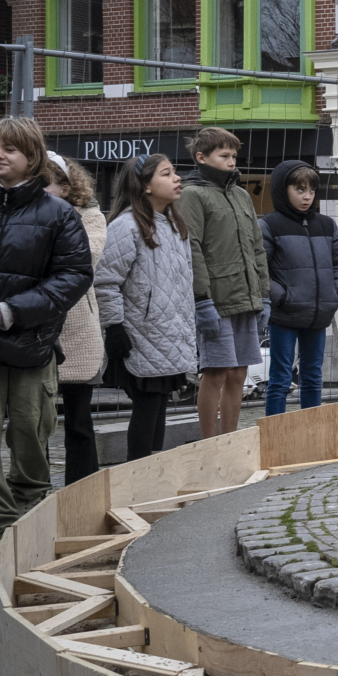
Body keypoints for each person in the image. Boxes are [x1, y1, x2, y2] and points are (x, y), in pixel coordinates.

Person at [0, 117, 93, 564]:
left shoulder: (58, 214)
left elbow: (75, 276)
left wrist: (13, 311)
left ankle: (34, 529)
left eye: (10, 149)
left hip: (32, 349)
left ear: (33, 158)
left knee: (30, 444)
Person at [95, 154, 197, 461]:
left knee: (160, 405)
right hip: (140, 336)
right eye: (166, 174)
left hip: (167, 334)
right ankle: (136, 474)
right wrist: (114, 327)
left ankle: (154, 470)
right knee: (147, 406)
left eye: (175, 172)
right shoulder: (127, 226)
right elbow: (105, 281)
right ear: (146, 186)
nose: (177, 178)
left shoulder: (176, 226)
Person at [174, 127, 266, 439]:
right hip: (215, 299)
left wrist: (263, 294)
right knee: (215, 373)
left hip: (245, 297)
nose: (231, 162)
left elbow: (256, 247)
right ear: (201, 158)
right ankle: (210, 442)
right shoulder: (192, 195)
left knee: (239, 373)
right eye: (223, 156)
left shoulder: (241, 195)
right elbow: (192, 248)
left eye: (234, 156)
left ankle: (229, 438)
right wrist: (202, 299)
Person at [259, 161, 338, 413]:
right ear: (282, 189)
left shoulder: (327, 225)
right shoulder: (269, 225)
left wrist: (337, 293)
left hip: (318, 316)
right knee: (280, 380)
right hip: (285, 316)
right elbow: (260, 271)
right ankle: (275, 439)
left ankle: (313, 436)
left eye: (311, 190)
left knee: (312, 378)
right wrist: (283, 298)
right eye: (300, 190)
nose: (307, 196)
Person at [49, 155, 109, 485]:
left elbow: (85, 256)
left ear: (66, 186)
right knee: (33, 421)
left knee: (79, 418)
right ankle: (34, 494)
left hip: (77, 326)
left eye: (47, 181)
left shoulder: (90, 215)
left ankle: (82, 489)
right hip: (35, 327)